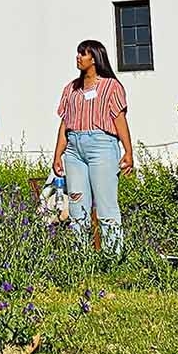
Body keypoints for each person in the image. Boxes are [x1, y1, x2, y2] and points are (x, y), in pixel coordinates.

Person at [51, 40, 134, 254]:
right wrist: (57, 155)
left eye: (83, 54)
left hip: (101, 145)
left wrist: (128, 151)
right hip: (73, 148)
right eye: (78, 53)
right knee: (77, 205)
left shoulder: (110, 86)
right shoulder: (71, 88)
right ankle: (81, 256)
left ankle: (112, 255)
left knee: (106, 205)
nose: (78, 57)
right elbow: (64, 123)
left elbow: (119, 119)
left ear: (95, 58)